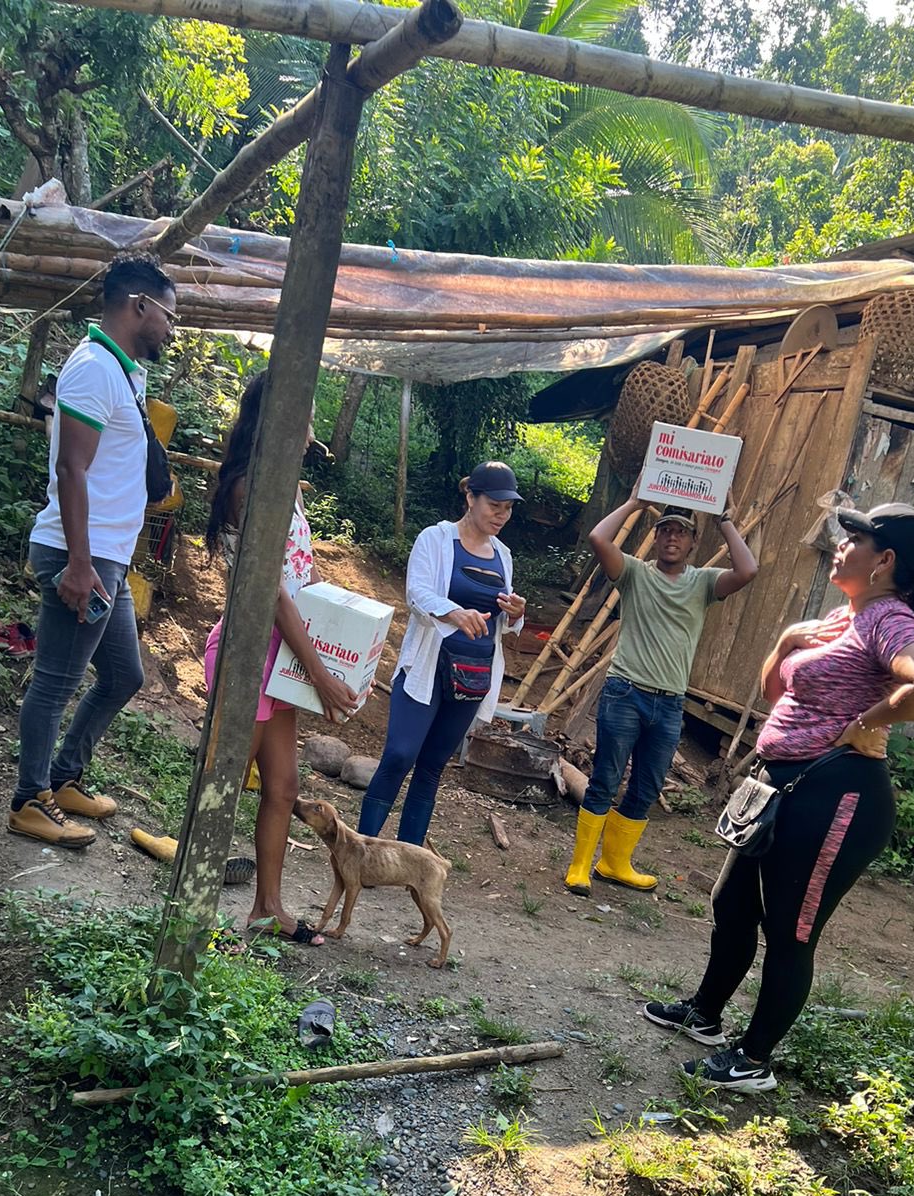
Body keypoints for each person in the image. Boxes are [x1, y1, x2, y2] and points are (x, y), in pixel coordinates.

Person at [644, 503, 914, 1092]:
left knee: (790, 930)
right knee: (732, 902)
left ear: (885, 560)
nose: (840, 546)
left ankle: (754, 1059)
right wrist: (789, 638)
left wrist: (869, 718)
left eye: (855, 539)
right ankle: (706, 1015)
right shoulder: (844, 618)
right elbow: (775, 689)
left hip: (836, 796)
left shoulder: (888, 621)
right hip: (779, 783)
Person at [9, 253, 176, 847]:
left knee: (123, 675)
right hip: (79, 554)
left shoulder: (124, 369)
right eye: (167, 316)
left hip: (106, 556)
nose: (170, 329)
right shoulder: (90, 369)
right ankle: (30, 799)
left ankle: (65, 775)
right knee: (55, 681)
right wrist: (79, 564)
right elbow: (71, 468)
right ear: (139, 305)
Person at [204, 375, 358, 945]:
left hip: (283, 656)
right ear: (277, 419)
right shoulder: (249, 488)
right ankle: (191, 900)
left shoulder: (288, 487)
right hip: (248, 653)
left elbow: (303, 576)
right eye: (306, 416)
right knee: (222, 785)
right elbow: (269, 591)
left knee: (285, 786)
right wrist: (319, 669)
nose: (313, 430)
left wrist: (347, 637)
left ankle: (266, 907)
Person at [565, 490, 758, 896]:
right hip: (625, 692)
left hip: (670, 703)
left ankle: (614, 862)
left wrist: (724, 520)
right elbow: (600, 539)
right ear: (654, 538)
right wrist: (635, 502)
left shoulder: (704, 583)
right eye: (665, 530)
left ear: (691, 543)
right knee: (605, 778)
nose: (672, 537)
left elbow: (748, 570)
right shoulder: (635, 573)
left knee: (647, 786)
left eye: (681, 532)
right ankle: (580, 865)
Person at [357, 463, 527, 846]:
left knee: (433, 765)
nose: (503, 515)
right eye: (495, 505)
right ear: (471, 497)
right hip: (428, 667)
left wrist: (516, 612)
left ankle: (408, 858)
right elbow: (417, 594)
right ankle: (362, 849)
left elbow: (505, 619)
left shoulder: (503, 554)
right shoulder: (436, 539)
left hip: (473, 673)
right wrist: (453, 611)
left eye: (508, 508)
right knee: (401, 754)